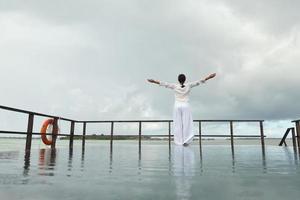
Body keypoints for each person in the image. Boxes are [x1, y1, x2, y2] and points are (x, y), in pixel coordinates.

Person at [147, 73, 216, 146]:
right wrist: (209, 77)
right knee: (187, 123)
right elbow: (199, 81)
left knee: (177, 124)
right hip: (186, 105)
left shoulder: (175, 86)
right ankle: (186, 141)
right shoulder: (189, 85)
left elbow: (164, 84)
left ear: (178, 80)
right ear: (185, 79)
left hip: (177, 106)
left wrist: (153, 81)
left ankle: (179, 141)